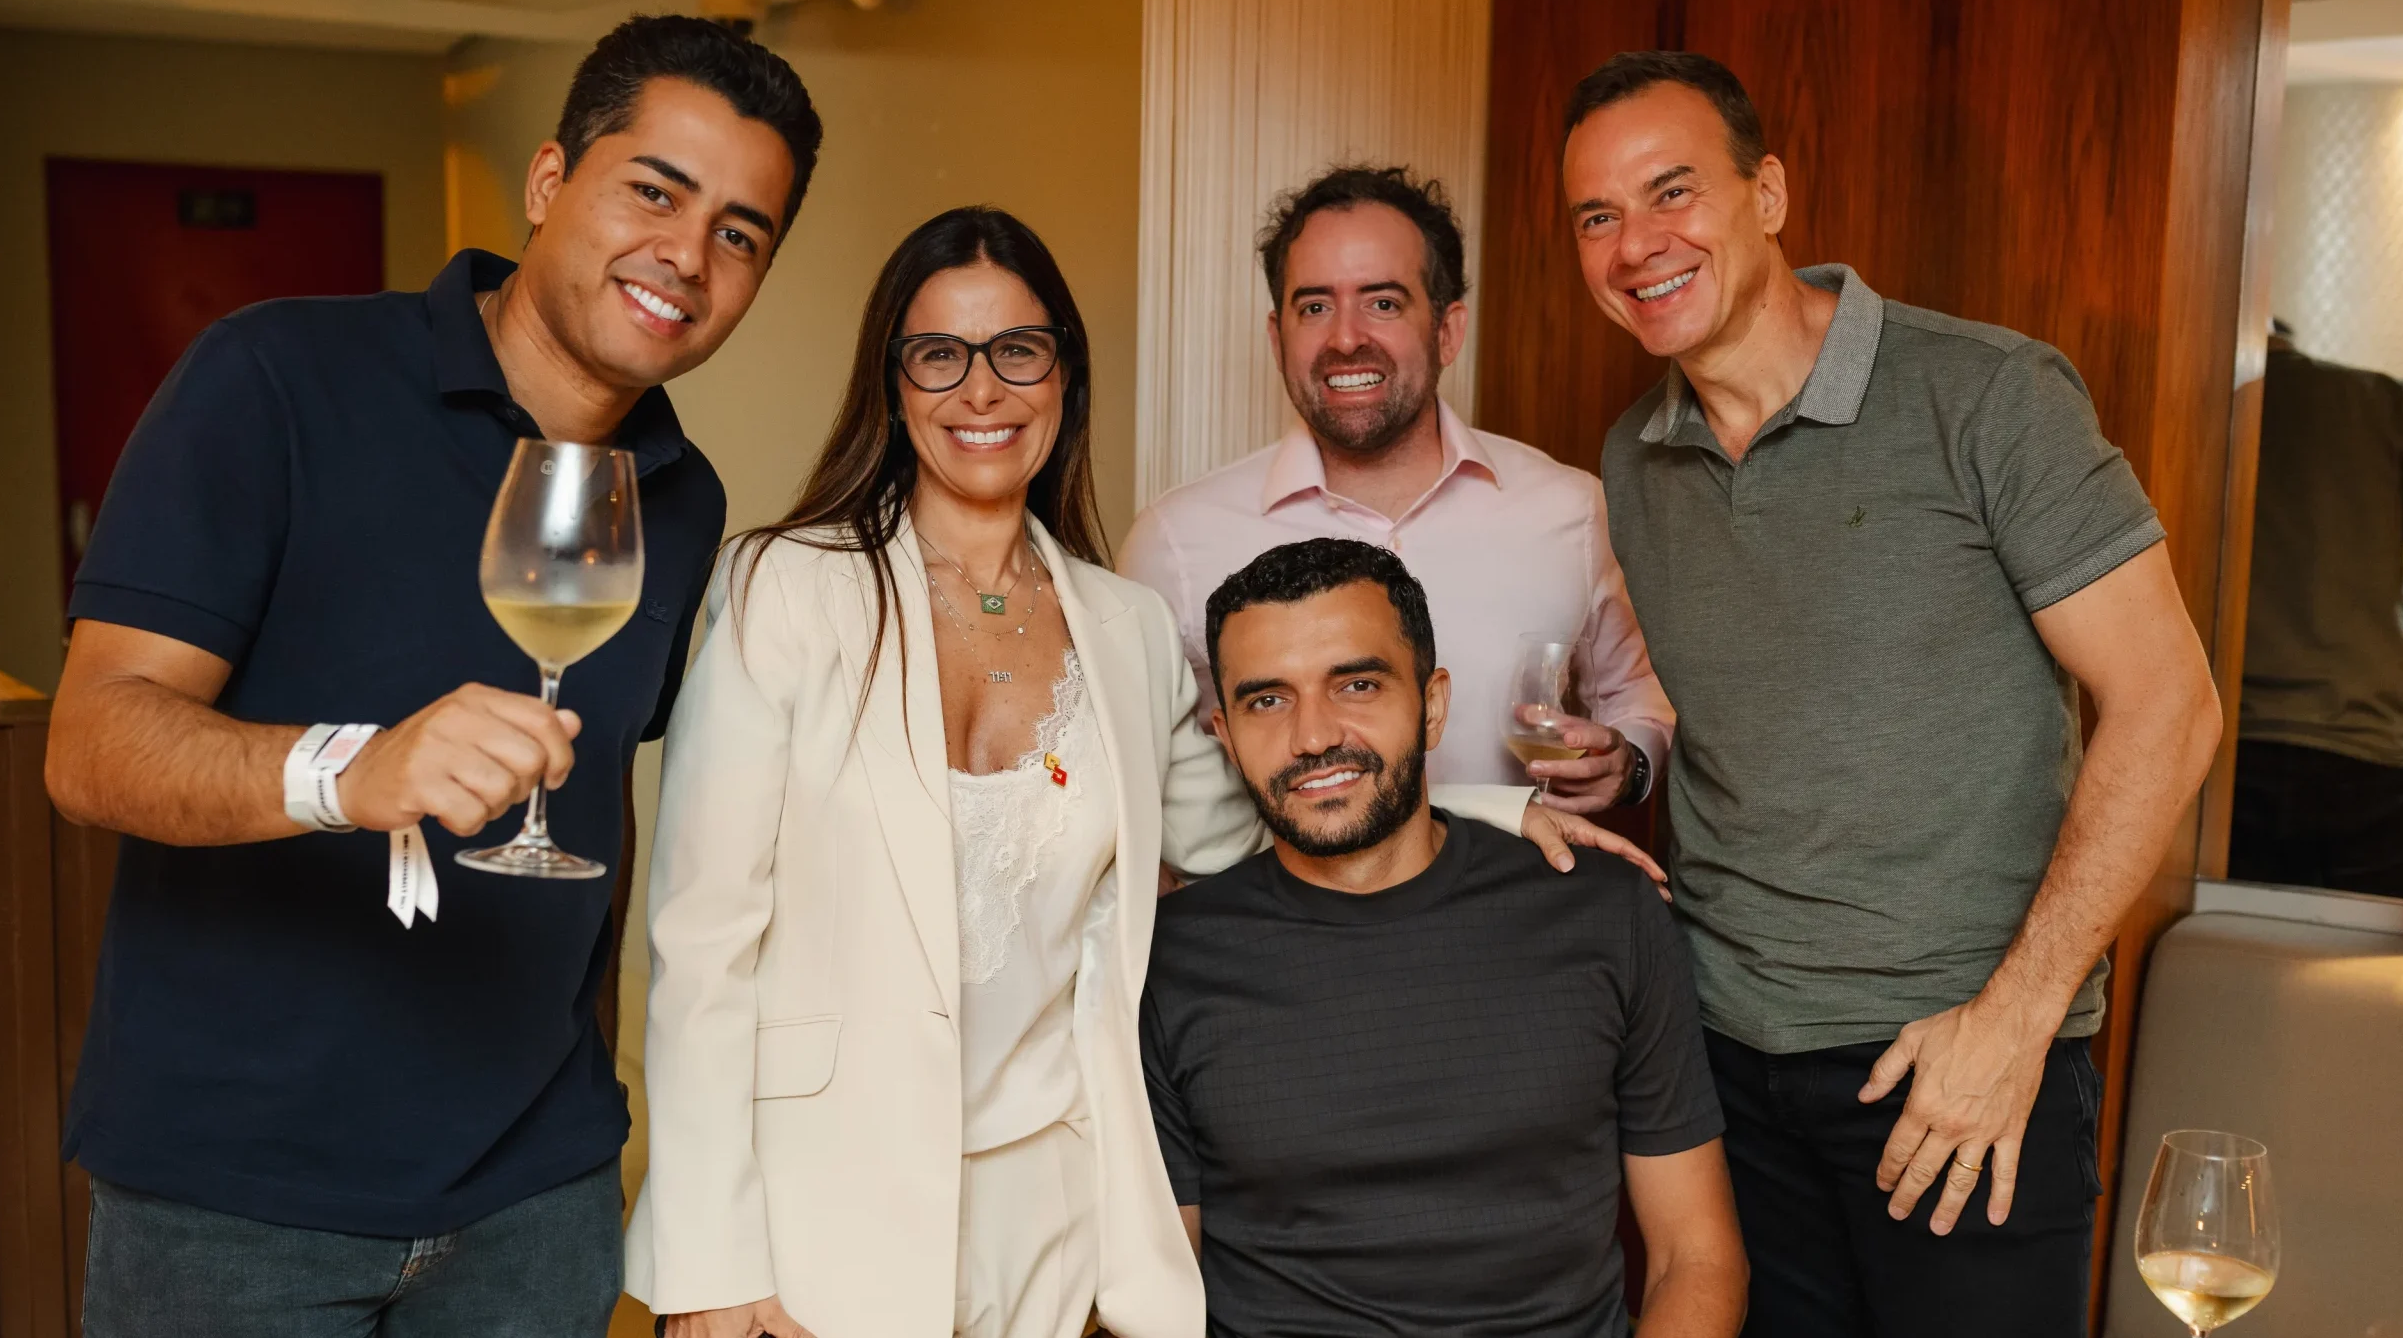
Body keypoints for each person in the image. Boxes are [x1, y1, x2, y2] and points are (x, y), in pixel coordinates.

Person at [628, 208, 1647, 1338]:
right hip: (816, 1213)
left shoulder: (1126, 624)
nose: (982, 391)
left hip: (1058, 1217)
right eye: (939, 355)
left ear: (1063, 373)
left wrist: (1492, 806)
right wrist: (710, 1264)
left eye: (1018, 350)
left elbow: (1256, 833)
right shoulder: (782, 588)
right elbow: (701, 939)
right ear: (893, 382)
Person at [41, 16, 822, 1338]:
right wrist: (350, 771)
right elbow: (91, 745)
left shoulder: (679, 503)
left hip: (537, 1204)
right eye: (653, 190)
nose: (685, 258)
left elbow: (609, 814)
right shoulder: (275, 377)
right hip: (236, 1205)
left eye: (740, 234)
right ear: (546, 180)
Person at [1564, 50, 2223, 1336]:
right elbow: (1770, 716)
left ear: (1767, 193)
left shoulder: (1986, 394)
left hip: (1952, 1065)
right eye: (1596, 216)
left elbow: (2169, 704)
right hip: (1720, 1060)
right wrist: (1619, 767)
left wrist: (2011, 1023)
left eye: (1669, 192)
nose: (1634, 244)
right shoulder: (1632, 458)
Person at [1141, 537, 1748, 1338]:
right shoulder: (1169, 960)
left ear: (1432, 703)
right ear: (1223, 730)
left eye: (1357, 683)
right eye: (1267, 700)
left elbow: (1695, 1259)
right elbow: (1161, 1291)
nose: (1313, 735)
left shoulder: (1605, 914)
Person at [1121, 166, 1671, 810]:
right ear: (1277, 339)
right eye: (1315, 307)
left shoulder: (1573, 512)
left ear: (1448, 330)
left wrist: (1629, 764)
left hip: (1514, 902)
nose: (1346, 338)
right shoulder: (1175, 543)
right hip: (1280, 907)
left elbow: (1640, 698)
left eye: (1383, 303)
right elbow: (1135, 775)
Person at [2231, 316, 2403, 897]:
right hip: (2369, 755)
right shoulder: (2387, 403)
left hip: (2226, 750)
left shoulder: (2202, 400)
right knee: (2368, 977)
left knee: (2217, 963)